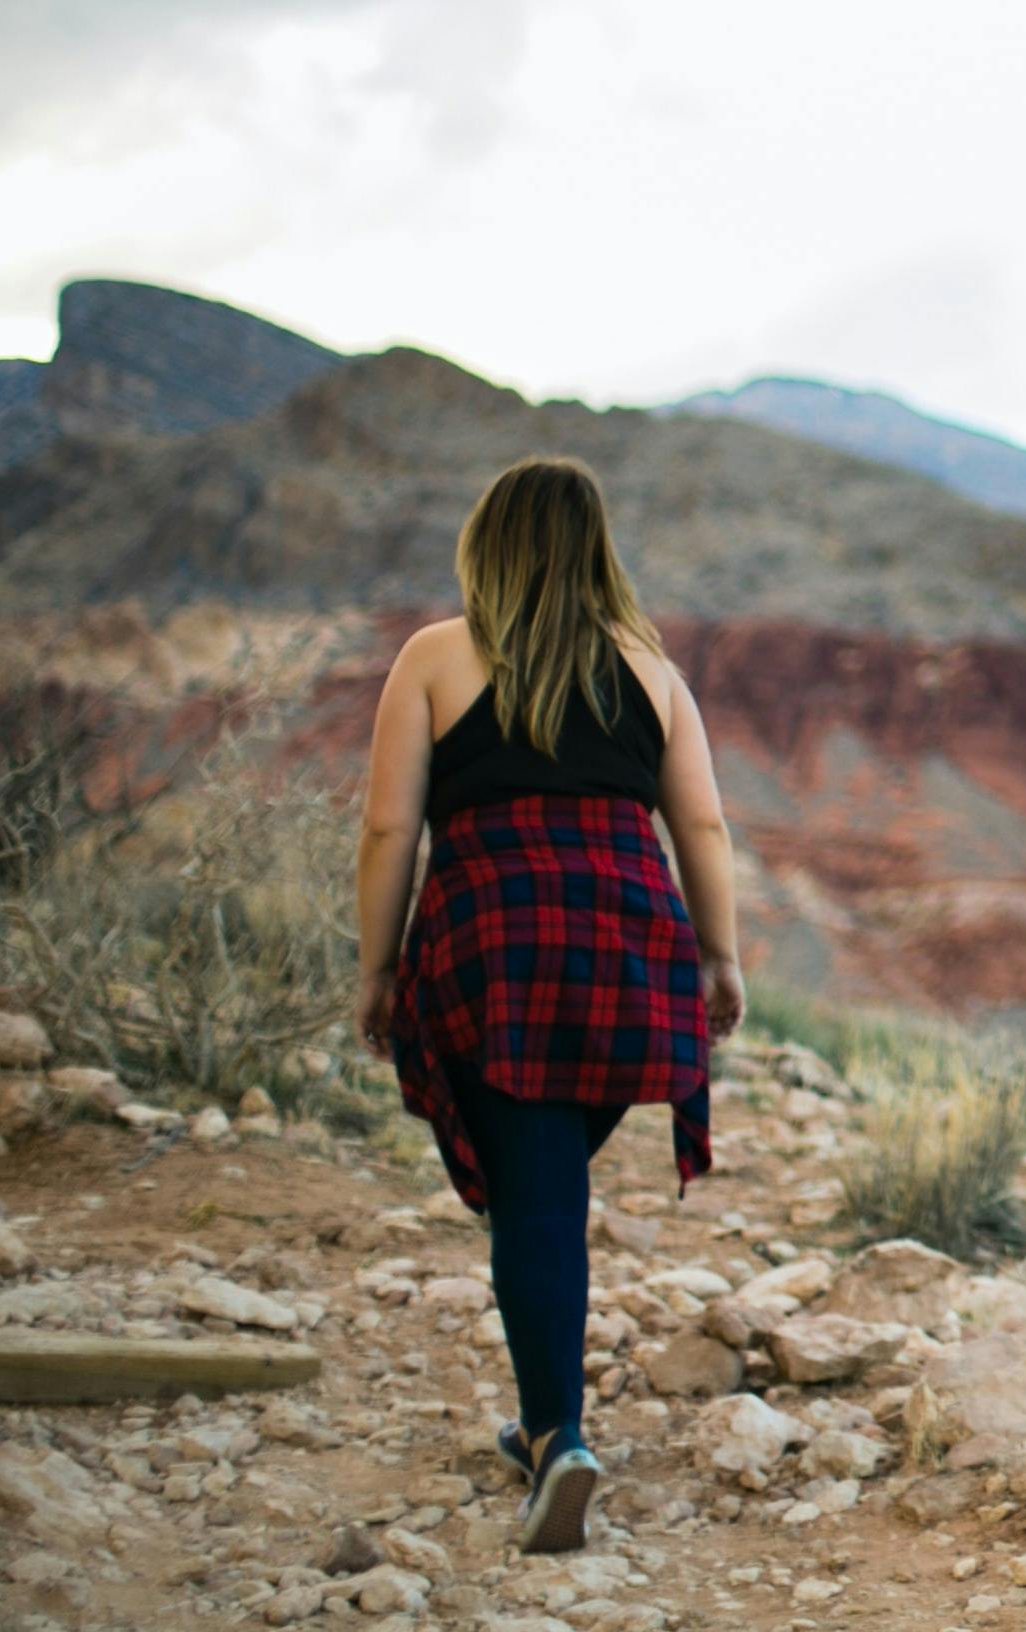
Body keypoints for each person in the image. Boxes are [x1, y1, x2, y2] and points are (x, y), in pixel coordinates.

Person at [353, 456, 746, 1554]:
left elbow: (388, 830)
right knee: (543, 1184)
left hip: (495, 940)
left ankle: (557, 1436)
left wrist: (375, 967)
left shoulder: (435, 656)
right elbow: (703, 830)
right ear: (595, 552)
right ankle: (542, 1424)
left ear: (487, 545)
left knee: (534, 1201)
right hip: (630, 942)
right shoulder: (652, 673)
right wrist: (720, 957)